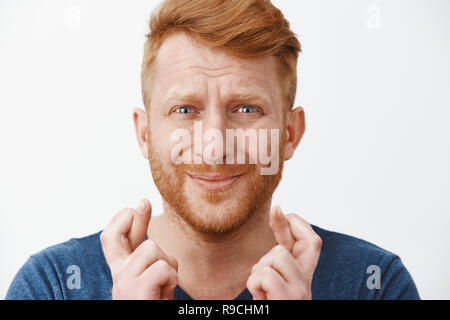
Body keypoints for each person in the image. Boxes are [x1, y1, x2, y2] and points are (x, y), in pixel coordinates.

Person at [6, 0, 419, 300]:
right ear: (146, 134)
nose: (215, 145)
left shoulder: (374, 284)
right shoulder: (53, 285)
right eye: (185, 110)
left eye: (246, 108)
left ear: (291, 133)